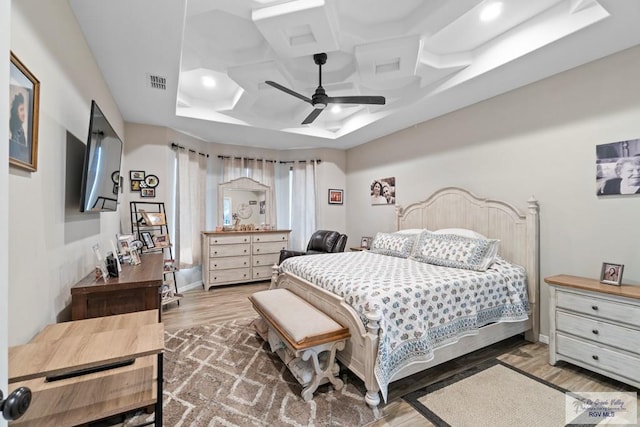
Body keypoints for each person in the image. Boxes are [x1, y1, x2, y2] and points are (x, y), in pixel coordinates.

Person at [9, 92, 29, 163]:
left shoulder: (20, 130)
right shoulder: (17, 132)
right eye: (21, 110)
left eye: (23, 110)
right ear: (17, 113)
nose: (24, 113)